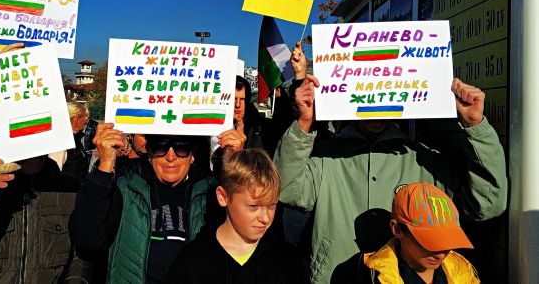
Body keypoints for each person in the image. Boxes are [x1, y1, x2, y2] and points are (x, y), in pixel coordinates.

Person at [274, 75, 507, 283]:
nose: (376, 101)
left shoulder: (425, 160)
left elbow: (486, 205)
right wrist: (304, 124)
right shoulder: (326, 157)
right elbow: (285, 190)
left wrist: (475, 126)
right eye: (366, 89)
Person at [69, 123, 216, 283]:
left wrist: (231, 159)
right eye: (160, 147)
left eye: (182, 148)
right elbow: (87, 244)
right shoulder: (126, 189)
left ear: (192, 155)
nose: (171, 157)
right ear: (150, 153)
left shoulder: (211, 195)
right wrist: (105, 165)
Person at [166, 148, 307, 283]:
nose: (265, 218)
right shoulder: (192, 263)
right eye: (254, 207)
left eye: (271, 206)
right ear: (223, 197)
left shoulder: (289, 262)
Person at [361, 182, 479, 283]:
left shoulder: (463, 270)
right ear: (397, 229)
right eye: (429, 242)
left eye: (447, 242)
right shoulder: (368, 277)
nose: (440, 255)